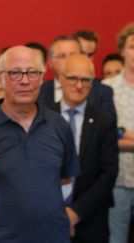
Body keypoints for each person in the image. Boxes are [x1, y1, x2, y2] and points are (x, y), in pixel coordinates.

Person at [0, 45, 80, 242]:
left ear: (42, 78)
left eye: (32, 73)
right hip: (0, 238)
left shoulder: (59, 125)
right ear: (1, 78)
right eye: (15, 73)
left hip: (53, 237)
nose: (25, 81)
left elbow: (65, 180)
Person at [51, 54, 118, 242]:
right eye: (72, 78)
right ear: (61, 78)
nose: (78, 85)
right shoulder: (43, 117)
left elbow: (109, 173)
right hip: (47, 218)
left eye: (85, 80)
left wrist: (76, 212)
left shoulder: (104, 122)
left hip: (91, 220)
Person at [103, 22, 134, 243]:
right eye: (133, 46)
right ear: (122, 50)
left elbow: (117, 134)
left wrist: (122, 135)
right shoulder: (107, 88)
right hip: (118, 181)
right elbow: (104, 136)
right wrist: (119, 136)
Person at [38, 35, 116, 117]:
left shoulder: (102, 93)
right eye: (62, 56)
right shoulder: (39, 92)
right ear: (50, 61)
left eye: (73, 55)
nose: (68, 61)